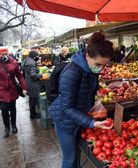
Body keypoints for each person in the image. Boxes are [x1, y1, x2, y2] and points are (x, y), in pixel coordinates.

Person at [48, 31, 114, 168]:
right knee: (70, 158)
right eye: (98, 64)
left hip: (79, 117)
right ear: (87, 56)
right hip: (65, 121)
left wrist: (96, 102)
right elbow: (66, 108)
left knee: (77, 151)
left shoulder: (90, 69)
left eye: (104, 65)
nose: (101, 69)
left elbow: (87, 92)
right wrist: (91, 123)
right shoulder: (71, 73)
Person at [0, 46, 27, 137]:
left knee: (13, 108)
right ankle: (7, 127)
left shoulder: (14, 62)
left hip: (12, 89)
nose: (4, 55)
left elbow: (19, 76)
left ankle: (13, 125)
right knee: (4, 109)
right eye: (2, 54)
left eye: (6, 53)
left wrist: (24, 88)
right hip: (0, 90)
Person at [23, 51, 46, 119]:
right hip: (33, 84)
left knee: (32, 99)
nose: (38, 57)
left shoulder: (28, 61)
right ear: (34, 56)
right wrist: (41, 75)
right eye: (37, 56)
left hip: (29, 83)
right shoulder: (31, 63)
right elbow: (33, 75)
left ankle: (33, 114)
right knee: (33, 99)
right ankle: (33, 115)